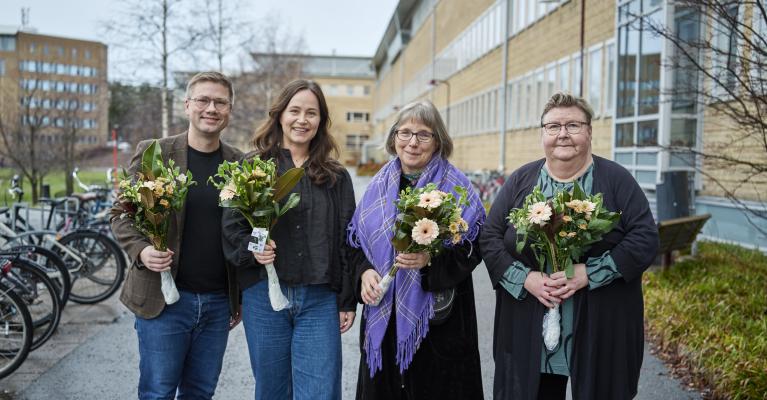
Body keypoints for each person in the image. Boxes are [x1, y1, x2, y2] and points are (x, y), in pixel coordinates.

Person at [480, 92, 659, 400]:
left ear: (589, 132)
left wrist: (591, 272)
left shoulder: (616, 180)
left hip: (600, 327)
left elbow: (645, 237)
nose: (562, 133)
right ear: (542, 134)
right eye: (553, 126)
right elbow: (490, 237)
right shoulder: (522, 181)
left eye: (573, 125)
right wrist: (525, 278)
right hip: (528, 323)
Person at [111, 71, 243, 399]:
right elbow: (120, 215)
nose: (211, 108)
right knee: (158, 392)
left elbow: (245, 228)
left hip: (217, 303)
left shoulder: (239, 163)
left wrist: (240, 287)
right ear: (187, 105)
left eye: (220, 102)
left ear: (229, 110)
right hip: (164, 300)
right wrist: (142, 250)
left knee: (200, 393)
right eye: (203, 100)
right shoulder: (154, 153)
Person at [221, 79, 357, 400]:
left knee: (319, 393)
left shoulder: (335, 176)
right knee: (272, 391)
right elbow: (232, 229)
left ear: (321, 121)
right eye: (294, 110)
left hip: (319, 299)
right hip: (264, 298)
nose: (302, 119)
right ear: (280, 115)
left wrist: (346, 299)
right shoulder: (252, 167)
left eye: (312, 113)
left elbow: (348, 239)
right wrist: (256, 248)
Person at [348, 100, 485, 399]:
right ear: (394, 137)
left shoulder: (456, 186)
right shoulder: (377, 186)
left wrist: (429, 260)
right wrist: (364, 272)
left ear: (438, 141)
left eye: (423, 134)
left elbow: (474, 247)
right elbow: (356, 243)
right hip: (384, 316)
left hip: (437, 322)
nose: (412, 142)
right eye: (404, 133)